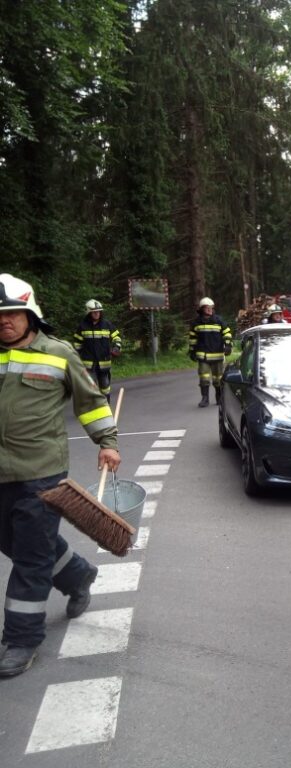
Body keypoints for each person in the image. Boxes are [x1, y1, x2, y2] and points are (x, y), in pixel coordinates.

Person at [0, 274, 120, 677]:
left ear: (30, 315)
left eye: (12, 313)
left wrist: (107, 441)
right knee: (13, 542)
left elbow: (91, 402)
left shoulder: (58, 353)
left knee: (31, 556)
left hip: (41, 472)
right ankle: (78, 574)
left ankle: (21, 639)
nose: (4, 321)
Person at [73, 299, 122, 402]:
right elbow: (77, 343)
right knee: (91, 389)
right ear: (88, 312)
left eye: (99, 311)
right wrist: (79, 357)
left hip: (104, 363)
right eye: (94, 312)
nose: (97, 314)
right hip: (88, 365)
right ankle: (93, 408)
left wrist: (116, 347)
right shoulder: (83, 326)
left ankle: (106, 406)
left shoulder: (107, 324)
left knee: (105, 388)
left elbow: (117, 337)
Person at [189, 297, 233, 408]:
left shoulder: (219, 321)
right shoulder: (196, 323)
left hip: (217, 355)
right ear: (201, 309)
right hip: (203, 356)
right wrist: (192, 350)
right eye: (207, 308)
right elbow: (193, 338)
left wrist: (228, 345)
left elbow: (227, 333)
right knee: (204, 378)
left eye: (211, 308)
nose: (210, 310)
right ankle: (205, 398)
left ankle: (219, 396)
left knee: (218, 379)